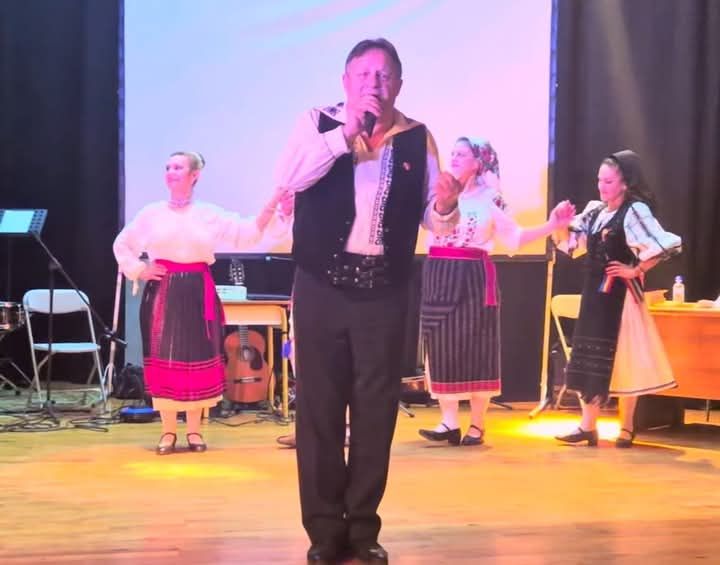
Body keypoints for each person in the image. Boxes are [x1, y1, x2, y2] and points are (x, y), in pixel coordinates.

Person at [275, 38, 461, 564]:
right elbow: (291, 179)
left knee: (376, 411)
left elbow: (434, 220)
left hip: (384, 290)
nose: (373, 85)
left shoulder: (417, 137)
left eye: (383, 76)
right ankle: (323, 531)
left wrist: (445, 207)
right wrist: (345, 135)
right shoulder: (317, 123)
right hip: (322, 286)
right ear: (345, 81)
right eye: (363, 75)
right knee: (319, 408)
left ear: (398, 84)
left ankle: (363, 529)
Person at [113, 151, 287, 455]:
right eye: (168, 167)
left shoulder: (209, 213)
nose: (171, 171)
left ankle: (194, 430)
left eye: (178, 167)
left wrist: (272, 205)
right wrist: (140, 269)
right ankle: (168, 431)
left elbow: (247, 233)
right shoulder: (151, 213)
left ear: (195, 175)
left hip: (198, 290)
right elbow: (123, 244)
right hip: (163, 291)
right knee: (165, 358)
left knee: (197, 357)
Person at [417, 138, 575, 447]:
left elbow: (514, 239)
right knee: (439, 344)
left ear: (478, 162)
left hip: (472, 277)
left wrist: (550, 225)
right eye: (452, 153)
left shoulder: (491, 198)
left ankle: (477, 424)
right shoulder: (438, 193)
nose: (454, 157)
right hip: (438, 273)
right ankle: (448, 421)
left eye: (462, 153)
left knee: (478, 347)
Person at [553, 149, 681, 447]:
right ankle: (588, 425)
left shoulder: (634, 210)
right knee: (589, 355)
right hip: (594, 295)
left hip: (622, 299)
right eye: (600, 180)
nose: (602, 186)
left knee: (625, 357)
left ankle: (626, 426)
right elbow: (571, 245)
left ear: (625, 183)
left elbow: (666, 243)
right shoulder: (596, 211)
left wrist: (635, 269)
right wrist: (559, 222)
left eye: (609, 181)